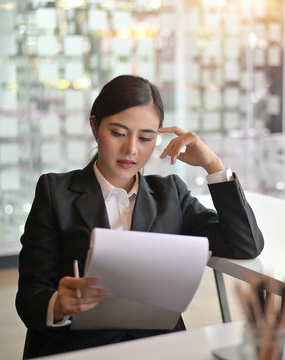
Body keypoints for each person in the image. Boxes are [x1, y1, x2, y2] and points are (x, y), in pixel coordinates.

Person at [16, 75, 264, 358]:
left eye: (146, 137)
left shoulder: (170, 194)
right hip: (78, 346)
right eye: (118, 133)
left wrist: (213, 165)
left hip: (157, 347)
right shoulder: (55, 192)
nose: (131, 149)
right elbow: (30, 293)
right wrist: (59, 304)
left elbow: (245, 244)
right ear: (95, 126)